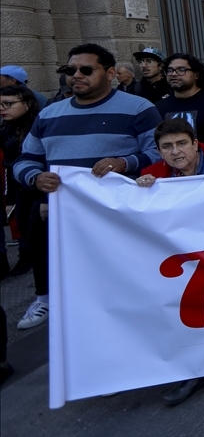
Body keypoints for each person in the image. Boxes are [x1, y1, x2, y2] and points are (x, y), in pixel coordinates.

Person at [12, 43, 161, 329]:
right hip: (61, 211)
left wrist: (125, 162)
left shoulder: (139, 109)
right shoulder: (48, 114)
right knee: (57, 264)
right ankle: (47, 300)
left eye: (86, 70)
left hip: (117, 211)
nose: (76, 75)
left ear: (110, 73)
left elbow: (159, 152)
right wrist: (34, 177)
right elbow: (25, 159)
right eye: (70, 70)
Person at [135, 118, 204, 406]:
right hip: (184, 255)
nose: (176, 152)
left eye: (182, 143)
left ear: (196, 144)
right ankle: (199, 367)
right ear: (159, 152)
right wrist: (139, 193)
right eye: (167, 147)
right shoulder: (152, 176)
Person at [1, 86, 43, 278]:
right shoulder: (5, 127)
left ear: (26, 104)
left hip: (37, 186)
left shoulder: (37, 126)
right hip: (15, 184)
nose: (3, 108)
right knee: (21, 226)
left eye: (8, 104)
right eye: (0, 104)